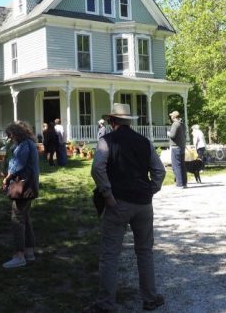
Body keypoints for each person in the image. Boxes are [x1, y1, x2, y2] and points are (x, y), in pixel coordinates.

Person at [87, 103, 166, 312]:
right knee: (145, 252)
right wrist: (150, 190)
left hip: (118, 203)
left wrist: (107, 194)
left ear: (112, 121)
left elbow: (97, 168)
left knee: (110, 255)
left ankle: (106, 304)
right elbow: (160, 171)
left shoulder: (106, 141)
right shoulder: (144, 142)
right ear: (128, 122)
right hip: (143, 204)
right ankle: (150, 298)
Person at [1, 120, 40, 268]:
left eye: (10, 134)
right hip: (30, 186)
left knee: (17, 218)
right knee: (25, 218)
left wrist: (6, 178)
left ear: (17, 133)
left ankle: (19, 255)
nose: (9, 137)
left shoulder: (24, 145)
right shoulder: (27, 143)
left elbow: (17, 165)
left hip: (23, 187)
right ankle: (29, 252)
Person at [167, 110, 187, 188]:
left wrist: (168, 133)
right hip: (182, 146)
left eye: (171, 116)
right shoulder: (182, 124)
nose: (171, 117)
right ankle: (184, 183)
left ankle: (179, 184)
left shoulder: (175, 124)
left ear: (174, 117)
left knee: (176, 166)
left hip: (176, 147)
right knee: (182, 165)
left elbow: (172, 135)